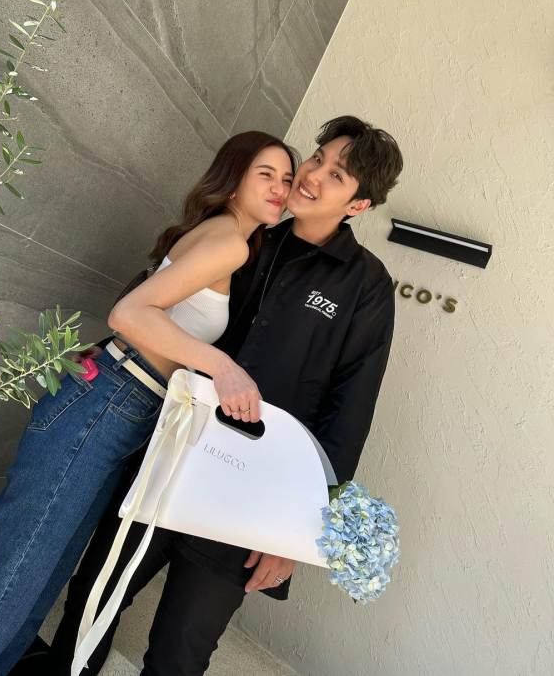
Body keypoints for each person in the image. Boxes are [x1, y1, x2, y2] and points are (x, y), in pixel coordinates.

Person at [42, 115, 403, 676]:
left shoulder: (366, 286)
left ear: (358, 205)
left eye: (336, 175)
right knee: (91, 598)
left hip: (251, 496)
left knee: (181, 650)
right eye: (317, 159)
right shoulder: (250, 236)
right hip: (170, 453)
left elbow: (349, 413)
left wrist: (297, 535)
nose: (312, 175)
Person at [0, 131, 298, 676]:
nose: (280, 187)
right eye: (266, 174)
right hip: (111, 400)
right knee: (15, 565)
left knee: (40, 570)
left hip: (118, 403)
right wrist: (222, 366)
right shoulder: (229, 243)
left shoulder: (226, 236)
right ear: (234, 179)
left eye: (286, 179)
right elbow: (130, 314)